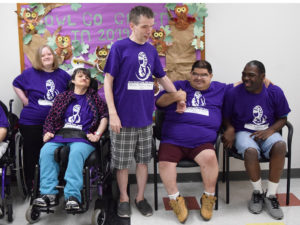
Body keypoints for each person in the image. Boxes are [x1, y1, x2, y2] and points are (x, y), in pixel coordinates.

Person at [103, 6, 177, 218]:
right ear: (132, 25)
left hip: (145, 118)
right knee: (123, 163)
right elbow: (107, 82)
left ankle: (140, 197)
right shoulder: (119, 48)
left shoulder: (152, 50)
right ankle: (124, 198)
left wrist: (178, 95)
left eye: (151, 26)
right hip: (122, 120)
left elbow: (162, 77)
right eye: (145, 26)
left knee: (144, 161)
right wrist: (113, 114)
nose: (149, 30)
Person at [156, 60, 232, 223]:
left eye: (204, 75)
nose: (199, 78)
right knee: (164, 163)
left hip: (202, 142)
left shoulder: (220, 89)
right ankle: (175, 199)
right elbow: (158, 103)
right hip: (173, 140)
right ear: (190, 74)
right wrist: (176, 96)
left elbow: (242, 87)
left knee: (210, 158)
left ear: (211, 76)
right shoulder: (177, 85)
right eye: (195, 74)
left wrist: (267, 82)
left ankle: (208, 198)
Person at [222, 60, 290, 220]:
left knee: (280, 145)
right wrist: (230, 128)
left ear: (262, 77)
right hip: (243, 132)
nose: (246, 78)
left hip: (267, 131)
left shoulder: (275, 91)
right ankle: (257, 193)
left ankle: (271, 196)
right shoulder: (233, 93)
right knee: (251, 151)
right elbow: (225, 117)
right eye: (244, 74)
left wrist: (271, 130)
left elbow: (283, 118)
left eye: (251, 75)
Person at [32, 68, 108, 210]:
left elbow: (104, 116)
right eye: (80, 76)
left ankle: (72, 196)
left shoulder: (95, 98)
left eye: (87, 77)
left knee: (76, 153)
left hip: (82, 137)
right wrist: (47, 132)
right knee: (46, 151)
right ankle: (48, 194)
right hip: (61, 134)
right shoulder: (62, 97)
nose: (84, 78)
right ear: (73, 80)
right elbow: (51, 117)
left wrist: (97, 134)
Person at [13, 45, 71, 192]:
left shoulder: (63, 75)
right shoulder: (30, 73)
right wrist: (25, 100)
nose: (46, 57)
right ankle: (33, 182)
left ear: (54, 56)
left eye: (49, 54)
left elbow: (72, 95)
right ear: (39, 59)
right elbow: (16, 84)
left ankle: (55, 183)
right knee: (32, 151)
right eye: (43, 55)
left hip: (56, 124)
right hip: (32, 122)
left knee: (56, 153)